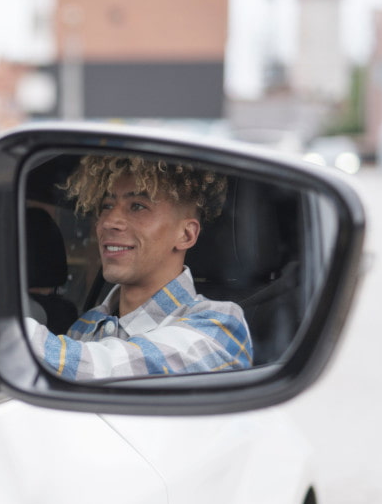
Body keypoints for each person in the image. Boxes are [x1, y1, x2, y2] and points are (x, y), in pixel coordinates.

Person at [30, 154, 252, 380]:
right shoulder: (86, 324)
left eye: (137, 206)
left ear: (186, 235)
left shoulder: (221, 324)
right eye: (106, 205)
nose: (107, 222)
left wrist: (8, 333)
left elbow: (111, 371)